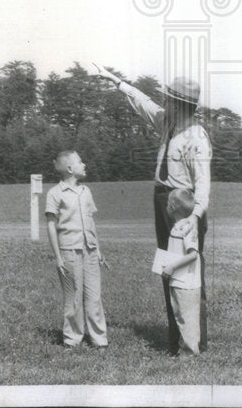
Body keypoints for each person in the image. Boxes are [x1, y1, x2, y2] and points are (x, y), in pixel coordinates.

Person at [93, 64, 211, 354]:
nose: (165, 102)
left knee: (188, 273)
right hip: (163, 202)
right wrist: (116, 80)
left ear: (180, 103)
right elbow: (143, 103)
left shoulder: (196, 137)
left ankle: (195, 342)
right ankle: (177, 339)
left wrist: (194, 218)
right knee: (168, 271)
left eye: (169, 98)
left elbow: (204, 183)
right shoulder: (168, 123)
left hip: (184, 205)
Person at [45, 150, 109, 349]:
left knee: (94, 296)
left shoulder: (86, 191)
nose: (85, 165)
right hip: (68, 251)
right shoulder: (55, 193)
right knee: (73, 297)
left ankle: (99, 340)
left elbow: (91, 221)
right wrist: (58, 257)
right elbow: (50, 225)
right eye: (81, 162)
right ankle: (72, 339)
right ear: (70, 168)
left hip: (89, 250)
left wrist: (97, 249)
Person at [157, 188, 203, 356]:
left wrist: (172, 266)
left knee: (188, 319)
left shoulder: (188, 228)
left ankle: (190, 353)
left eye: (168, 203)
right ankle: (184, 350)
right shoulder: (177, 227)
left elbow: (193, 255)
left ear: (173, 206)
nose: (166, 206)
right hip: (177, 281)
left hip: (187, 284)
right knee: (180, 316)